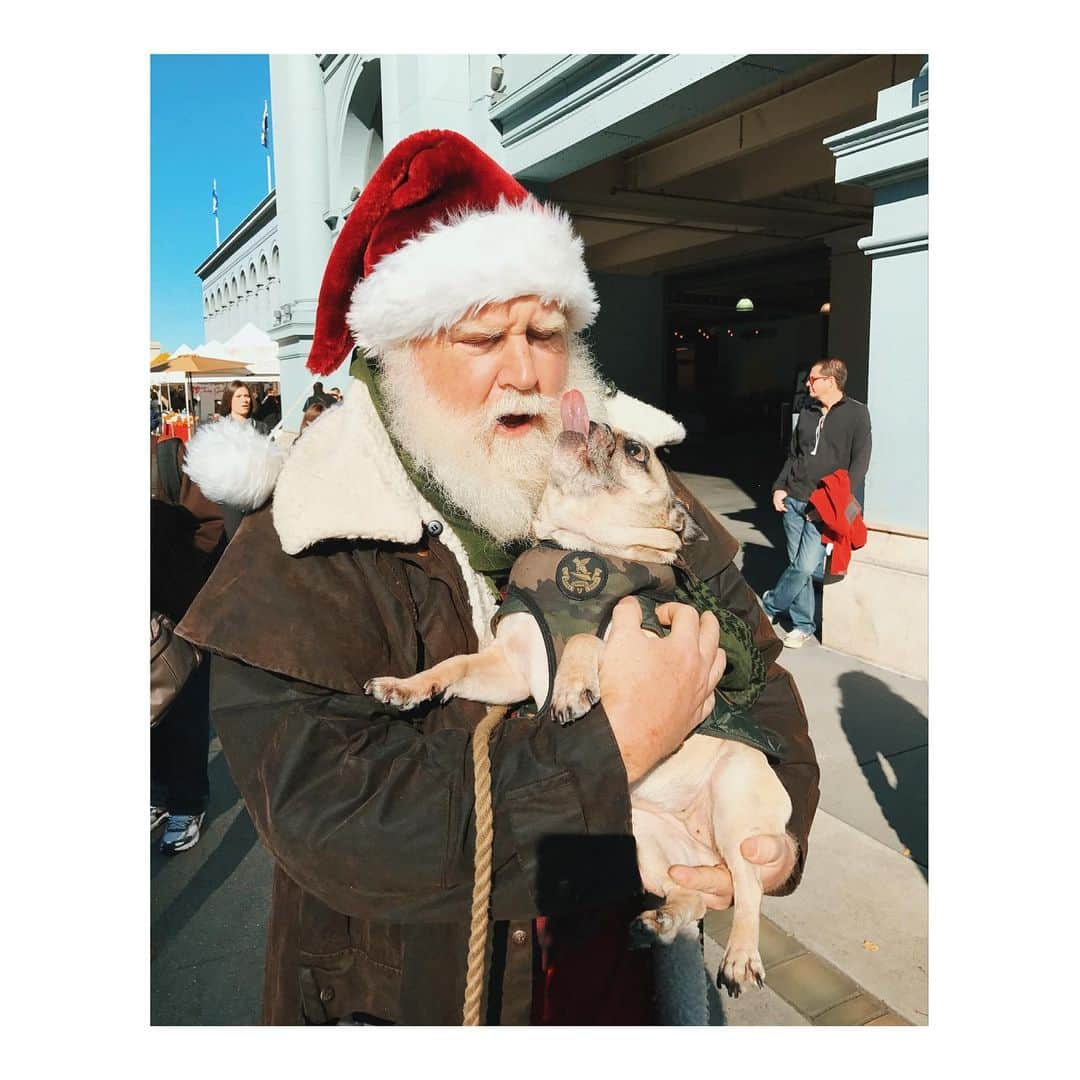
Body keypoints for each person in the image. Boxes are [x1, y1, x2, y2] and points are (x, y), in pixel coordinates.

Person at [177, 130, 819, 1026]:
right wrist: (621, 741)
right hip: (417, 1000)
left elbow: (766, 680)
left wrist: (770, 844)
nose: (523, 370)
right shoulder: (304, 539)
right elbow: (335, 829)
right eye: (485, 336)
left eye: (546, 334)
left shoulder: (639, 486)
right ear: (401, 352)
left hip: (624, 980)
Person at [151, 435, 227, 853]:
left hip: (178, 612)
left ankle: (187, 802)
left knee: (183, 711)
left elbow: (209, 522)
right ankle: (158, 793)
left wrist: (177, 560)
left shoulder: (168, 454)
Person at [763, 357, 872, 648]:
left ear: (831, 381)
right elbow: (794, 454)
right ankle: (802, 625)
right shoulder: (808, 411)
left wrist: (835, 500)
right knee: (796, 563)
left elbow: (859, 463)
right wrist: (779, 487)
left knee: (805, 565)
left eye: (813, 379)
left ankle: (772, 603)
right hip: (793, 498)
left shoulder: (857, 414)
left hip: (822, 504)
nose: (807, 384)